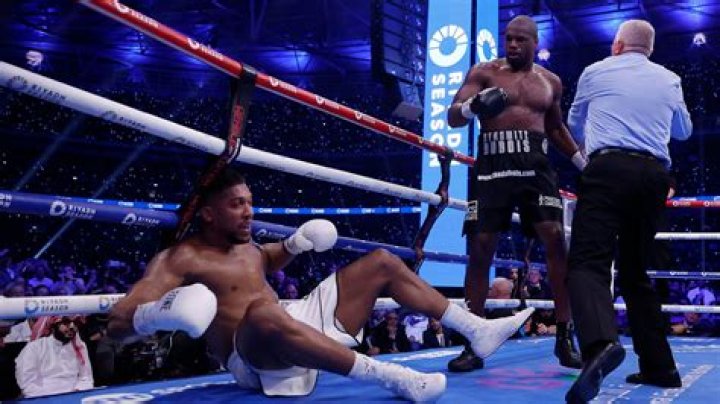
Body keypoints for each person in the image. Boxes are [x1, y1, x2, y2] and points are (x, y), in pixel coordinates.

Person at [106, 169, 534, 401]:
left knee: (382, 262)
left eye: (250, 203)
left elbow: (264, 259)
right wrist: (152, 315)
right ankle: (393, 378)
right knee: (263, 311)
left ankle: (476, 330)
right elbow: (117, 323)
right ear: (208, 213)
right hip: (253, 357)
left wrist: (295, 243)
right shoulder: (180, 258)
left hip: (293, 325)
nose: (249, 212)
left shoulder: (247, 246)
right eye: (237, 205)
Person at [446, 15, 584, 372]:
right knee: (480, 249)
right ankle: (473, 344)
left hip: (536, 165)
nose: (513, 45)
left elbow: (555, 127)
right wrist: (473, 107)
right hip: (492, 165)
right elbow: (452, 117)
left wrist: (583, 163)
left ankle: (564, 337)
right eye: (509, 38)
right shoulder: (484, 73)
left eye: (521, 39)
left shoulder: (550, 81)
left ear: (535, 43)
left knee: (556, 242)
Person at [564, 19, 692, 403]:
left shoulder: (595, 71)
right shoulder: (669, 79)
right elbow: (683, 131)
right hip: (653, 176)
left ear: (617, 45)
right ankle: (660, 367)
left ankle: (600, 344)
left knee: (587, 261)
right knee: (635, 272)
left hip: (608, 168)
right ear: (649, 49)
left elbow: (573, 124)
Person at [15, 316, 93, 398]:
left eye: (75, 323)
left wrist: (77, 392)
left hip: (74, 396)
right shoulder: (34, 347)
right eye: (66, 323)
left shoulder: (79, 346)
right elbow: (27, 383)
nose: (72, 326)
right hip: (42, 397)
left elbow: (86, 378)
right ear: (53, 327)